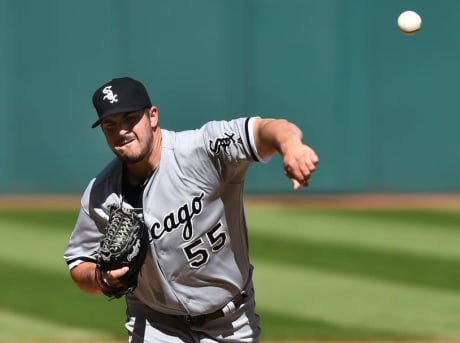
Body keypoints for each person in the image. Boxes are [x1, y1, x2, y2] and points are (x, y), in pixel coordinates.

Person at [64, 77, 319, 343]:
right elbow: (79, 262)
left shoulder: (202, 151)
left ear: (152, 116)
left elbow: (265, 129)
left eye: (130, 118)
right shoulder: (101, 193)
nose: (122, 131)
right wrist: (101, 278)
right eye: (110, 125)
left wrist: (291, 146)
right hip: (155, 323)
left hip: (230, 322)